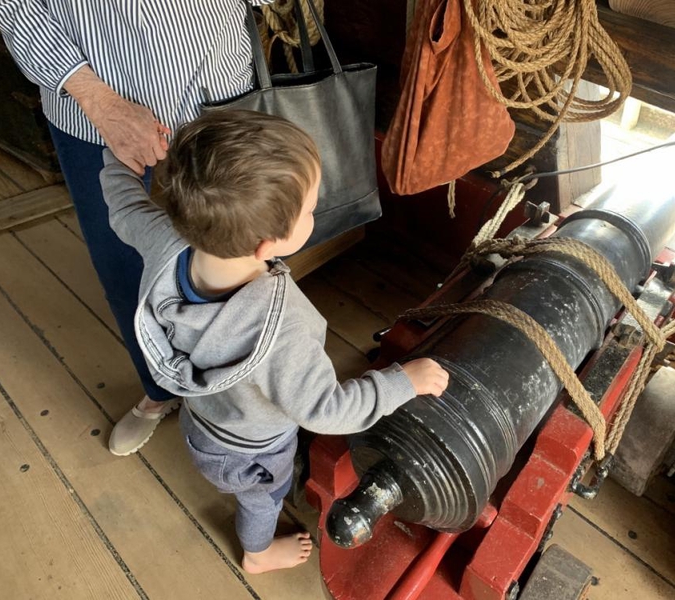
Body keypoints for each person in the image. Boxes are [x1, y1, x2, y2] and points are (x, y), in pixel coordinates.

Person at [98, 109, 450, 573]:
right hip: (255, 451)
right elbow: (326, 410)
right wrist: (404, 380)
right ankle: (258, 554)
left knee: (245, 476)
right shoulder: (283, 327)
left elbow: (124, 206)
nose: (314, 210)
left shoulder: (167, 239)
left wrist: (116, 155)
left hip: (204, 422)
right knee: (263, 497)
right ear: (268, 245)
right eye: (309, 208)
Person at [0, 0, 274, 456]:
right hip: (92, 112)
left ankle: (244, 406)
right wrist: (100, 103)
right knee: (123, 265)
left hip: (219, 88)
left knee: (240, 258)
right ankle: (160, 389)